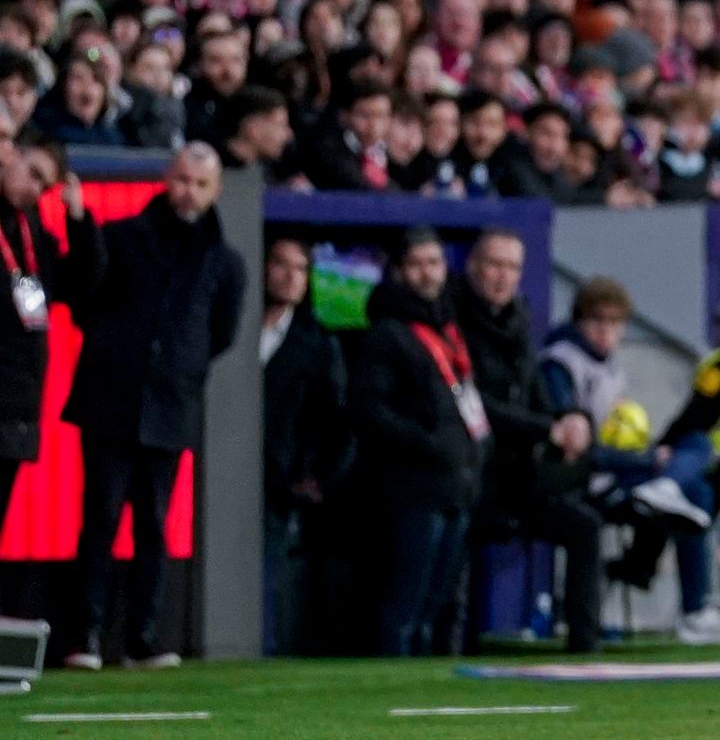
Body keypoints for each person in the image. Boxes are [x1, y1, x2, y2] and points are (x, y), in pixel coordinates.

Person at [63, 144, 245, 669]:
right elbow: (86, 300)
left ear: (216, 191)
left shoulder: (223, 261)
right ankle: (86, 635)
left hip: (169, 406)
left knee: (154, 526)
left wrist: (177, 370)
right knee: (98, 519)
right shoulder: (122, 238)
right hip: (110, 401)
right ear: (168, 179)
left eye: (200, 183)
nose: (189, 191)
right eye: (183, 179)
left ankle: (143, 637)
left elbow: (221, 333)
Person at [540, 278, 720, 646]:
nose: (607, 332)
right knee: (695, 486)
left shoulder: (611, 368)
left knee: (698, 450)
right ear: (579, 321)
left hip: (620, 470)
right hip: (585, 480)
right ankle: (694, 610)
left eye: (615, 323)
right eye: (598, 322)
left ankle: (668, 488)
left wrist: (646, 458)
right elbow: (581, 448)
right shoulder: (561, 364)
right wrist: (643, 461)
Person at [0, 124, 101, 614]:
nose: (34, 190)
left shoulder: (29, 232)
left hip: (15, 406)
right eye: (34, 175)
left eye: (45, 186)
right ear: (11, 156)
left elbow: (81, 286)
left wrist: (78, 219)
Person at [453, 229, 603, 653]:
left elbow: (537, 394)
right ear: (474, 267)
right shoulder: (454, 321)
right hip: (470, 471)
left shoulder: (520, 322)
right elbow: (469, 399)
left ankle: (584, 647)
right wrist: (545, 429)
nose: (503, 276)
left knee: (585, 525)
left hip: (519, 475)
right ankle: (448, 647)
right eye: (495, 265)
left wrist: (572, 420)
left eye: (513, 267)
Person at [349, 227, 489, 656]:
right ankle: (391, 691)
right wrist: (430, 443)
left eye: (434, 263)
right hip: (413, 490)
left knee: (437, 607)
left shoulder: (449, 327)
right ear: (397, 271)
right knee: (403, 609)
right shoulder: (387, 334)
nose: (427, 274)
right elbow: (370, 412)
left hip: (457, 485)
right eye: (416, 265)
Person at [257, 237, 349, 655]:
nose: (290, 275)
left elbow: (337, 422)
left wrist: (314, 478)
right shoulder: (229, 327)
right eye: (280, 263)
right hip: (219, 476)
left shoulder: (318, 344)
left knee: (266, 579)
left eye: (300, 268)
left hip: (277, 483)